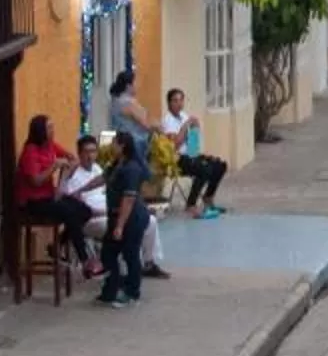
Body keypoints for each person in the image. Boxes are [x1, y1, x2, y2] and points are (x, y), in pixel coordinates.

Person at [96, 133, 153, 308]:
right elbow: (101, 178)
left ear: (122, 146)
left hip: (131, 218)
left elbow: (128, 199)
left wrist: (120, 226)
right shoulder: (117, 164)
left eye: (114, 143)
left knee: (130, 254)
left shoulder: (131, 168)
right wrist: (80, 190)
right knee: (108, 253)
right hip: (116, 215)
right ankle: (111, 289)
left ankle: (132, 293)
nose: (111, 146)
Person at [13, 115, 88, 234]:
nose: (53, 130)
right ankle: (80, 246)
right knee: (69, 212)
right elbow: (35, 181)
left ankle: (62, 242)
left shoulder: (50, 145)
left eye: (52, 127)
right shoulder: (30, 151)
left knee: (84, 210)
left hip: (49, 196)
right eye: (49, 127)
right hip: (33, 201)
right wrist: (54, 166)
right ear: (40, 131)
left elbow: (70, 157)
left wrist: (67, 169)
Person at [160, 87, 229, 217]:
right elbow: (175, 145)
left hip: (190, 156)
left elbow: (193, 147)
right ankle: (191, 204)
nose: (179, 103)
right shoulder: (167, 121)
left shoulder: (184, 116)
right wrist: (185, 126)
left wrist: (195, 129)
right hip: (177, 159)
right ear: (169, 103)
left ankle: (208, 198)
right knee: (204, 169)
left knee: (219, 165)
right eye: (175, 100)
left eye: (181, 100)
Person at [59, 131, 111, 277]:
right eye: (86, 152)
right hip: (91, 219)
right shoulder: (74, 174)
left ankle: (147, 263)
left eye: (93, 151)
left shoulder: (98, 169)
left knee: (147, 222)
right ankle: (109, 268)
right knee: (115, 226)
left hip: (108, 211)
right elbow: (76, 208)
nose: (90, 156)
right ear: (79, 153)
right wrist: (106, 212)